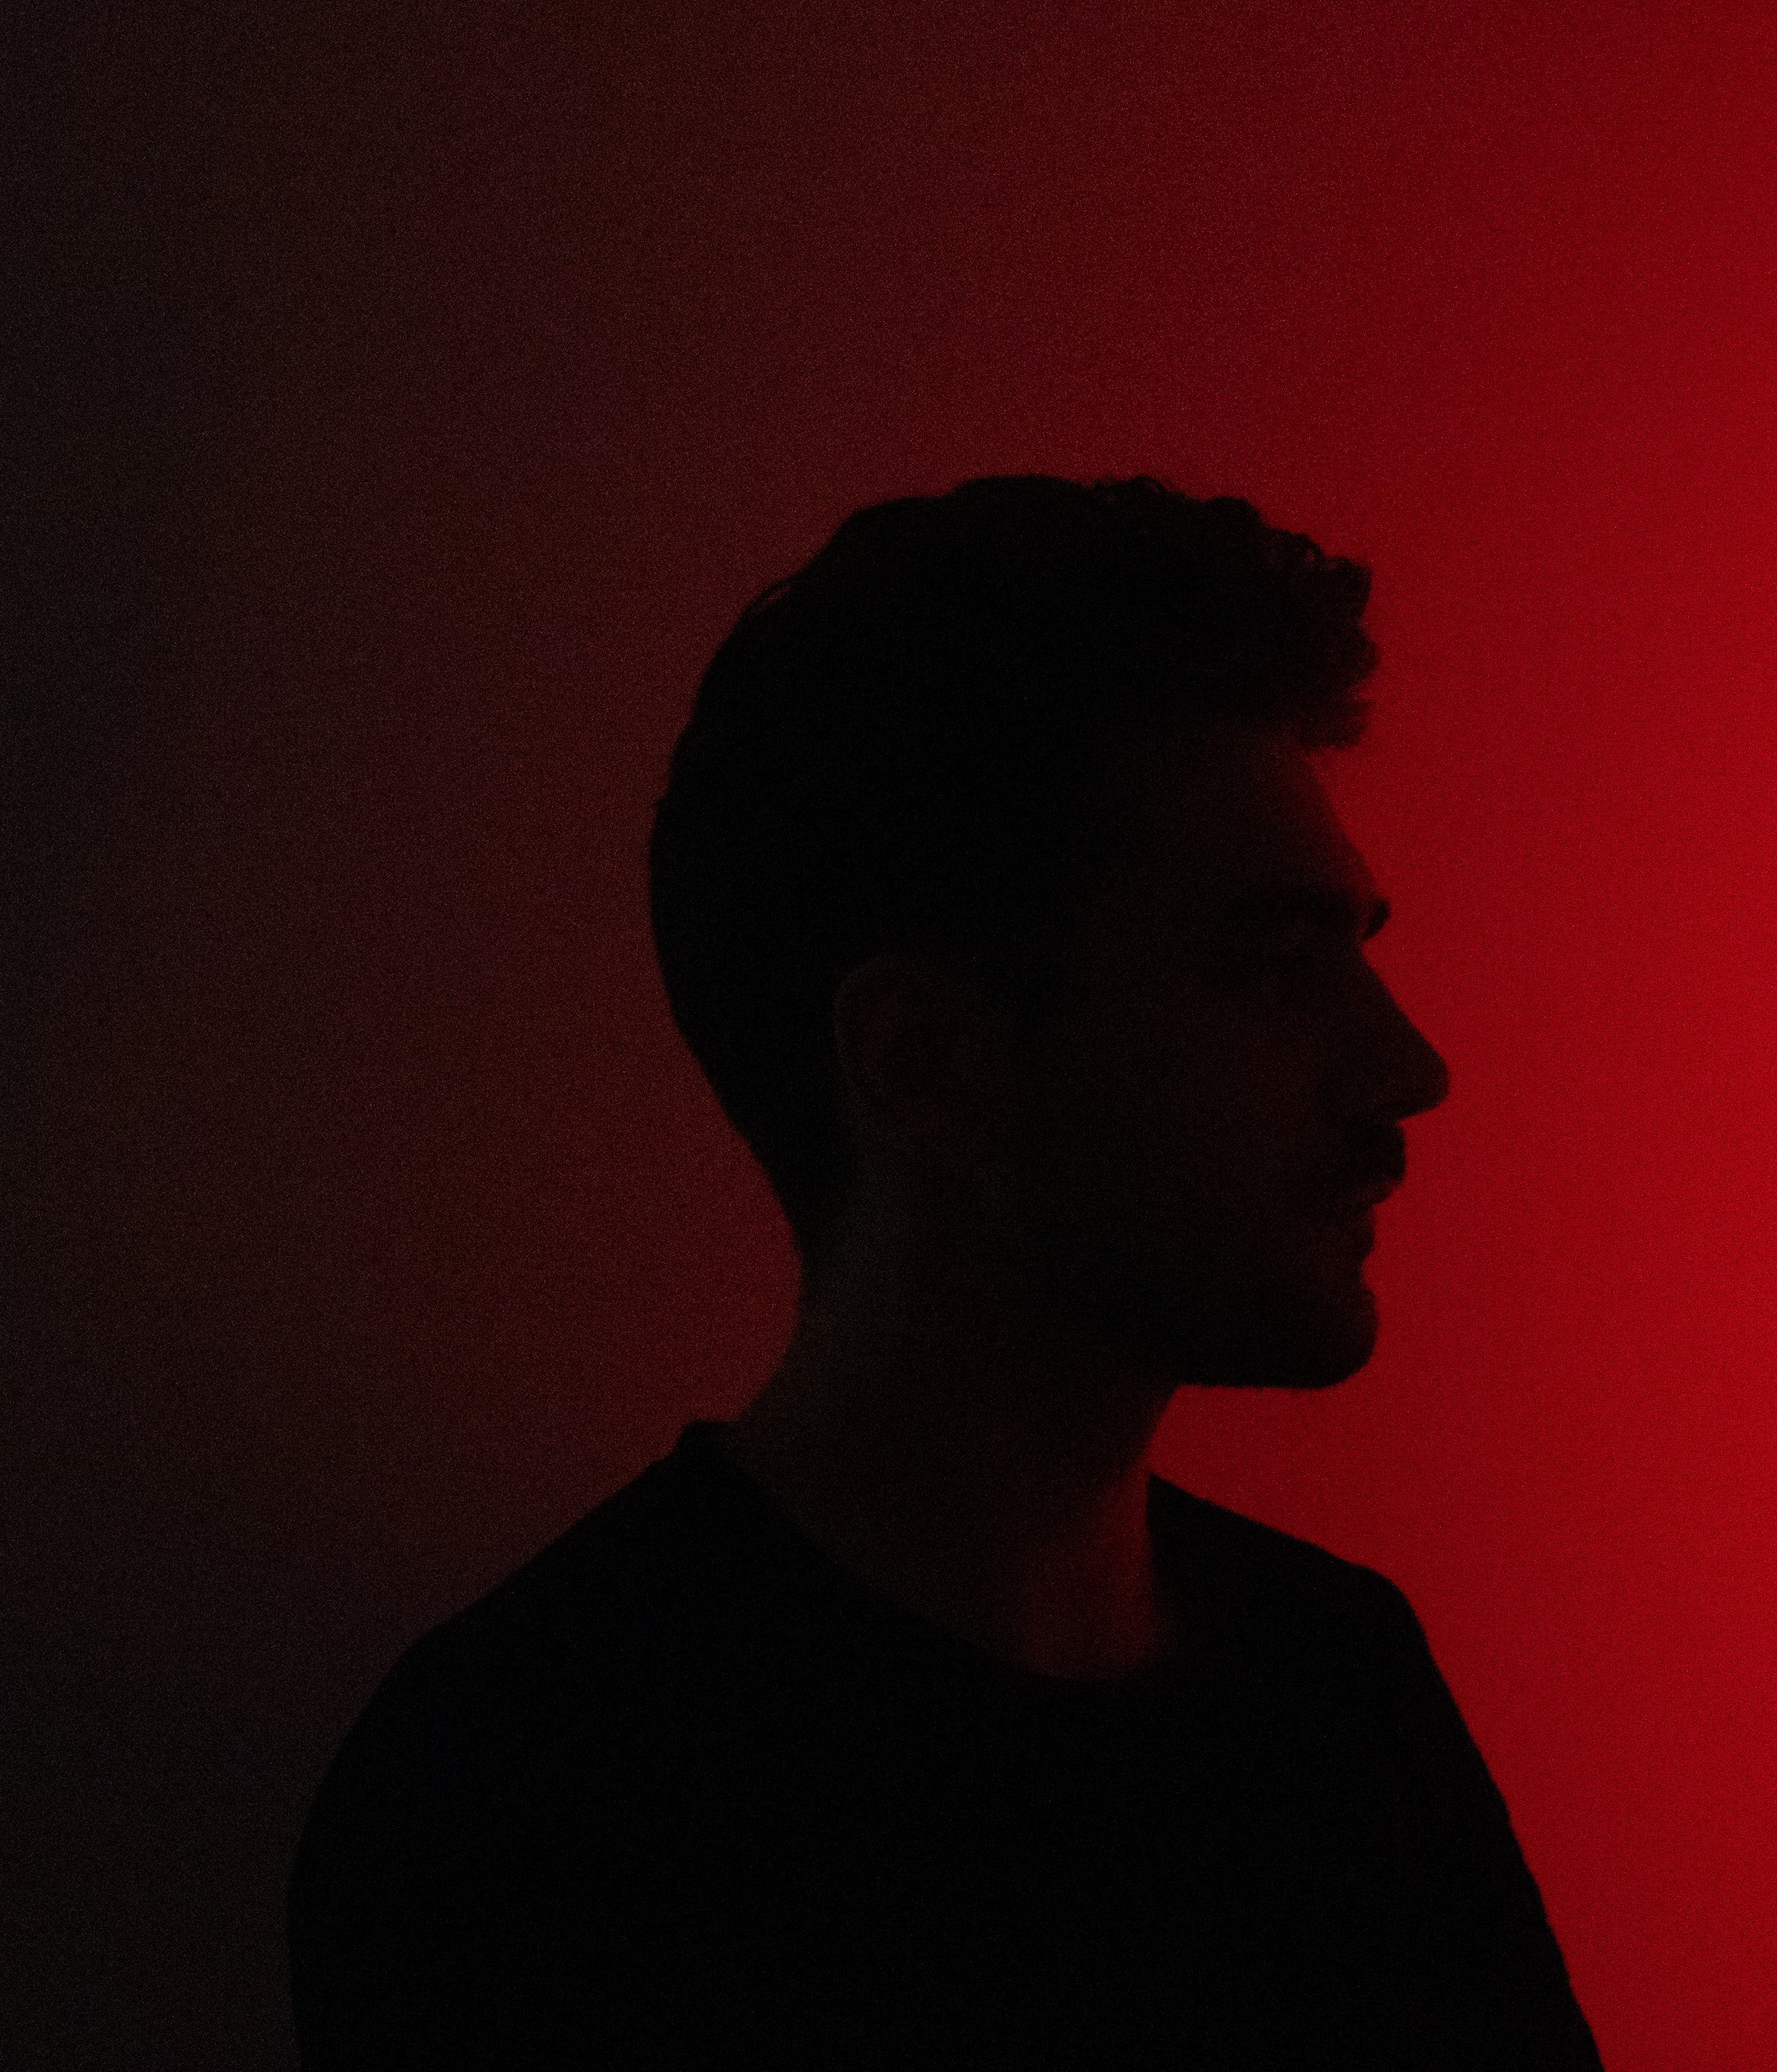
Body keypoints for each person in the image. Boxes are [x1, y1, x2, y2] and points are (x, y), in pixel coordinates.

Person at [288, 475, 1603, 2067]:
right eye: (1271, 968)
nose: (1406, 1070)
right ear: (927, 1065)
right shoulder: (531, 1794)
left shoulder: (1338, 1689)